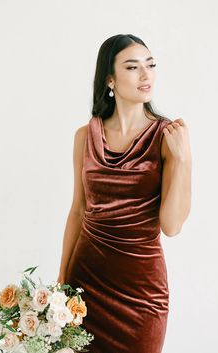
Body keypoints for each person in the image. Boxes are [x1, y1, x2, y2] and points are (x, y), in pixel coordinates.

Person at [57, 34, 192, 353]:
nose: (146, 75)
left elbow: (171, 226)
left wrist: (183, 159)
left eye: (151, 65)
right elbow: (78, 209)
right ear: (110, 79)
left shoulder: (168, 136)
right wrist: (61, 281)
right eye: (133, 67)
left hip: (142, 295)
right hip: (86, 283)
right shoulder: (84, 136)